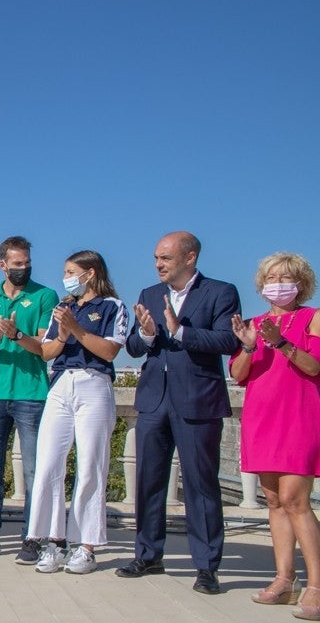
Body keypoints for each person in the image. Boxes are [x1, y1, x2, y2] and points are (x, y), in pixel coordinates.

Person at [117, 231, 240, 595]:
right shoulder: (149, 295)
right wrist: (149, 334)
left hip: (198, 401)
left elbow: (228, 341)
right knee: (149, 482)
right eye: (156, 257)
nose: (158, 264)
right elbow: (135, 348)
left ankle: (206, 567)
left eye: (165, 258)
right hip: (154, 401)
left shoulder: (221, 292)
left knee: (201, 486)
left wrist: (180, 331)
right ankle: (149, 554)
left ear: (189, 258)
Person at [229, 253, 320, 615]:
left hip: (298, 417)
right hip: (261, 418)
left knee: (296, 500)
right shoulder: (255, 323)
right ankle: (284, 579)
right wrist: (250, 346)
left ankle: (315, 584)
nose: (276, 284)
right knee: (274, 501)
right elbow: (238, 373)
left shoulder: (313, 319)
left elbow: (314, 365)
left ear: (300, 283)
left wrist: (281, 343)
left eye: (284, 277)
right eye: (270, 277)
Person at [29, 251, 127, 575]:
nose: (67, 277)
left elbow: (110, 350)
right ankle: (53, 541)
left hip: (94, 383)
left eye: (72, 271)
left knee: (90, 464)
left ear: (90, 272)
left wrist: (78, 331)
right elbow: (47, 351)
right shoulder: (64, 307)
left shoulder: (112, 306)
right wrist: (61, 332)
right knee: (48, 464)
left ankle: (86, 546)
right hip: (61, 383)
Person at [0, 236, 59, 563]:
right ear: (2, 265)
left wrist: (18, 336)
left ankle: (31, 537)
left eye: (27, 263)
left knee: (34, 471)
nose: (23, 269)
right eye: (17, 264)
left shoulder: (45, 296)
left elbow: (47, 349)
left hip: (32, 393)